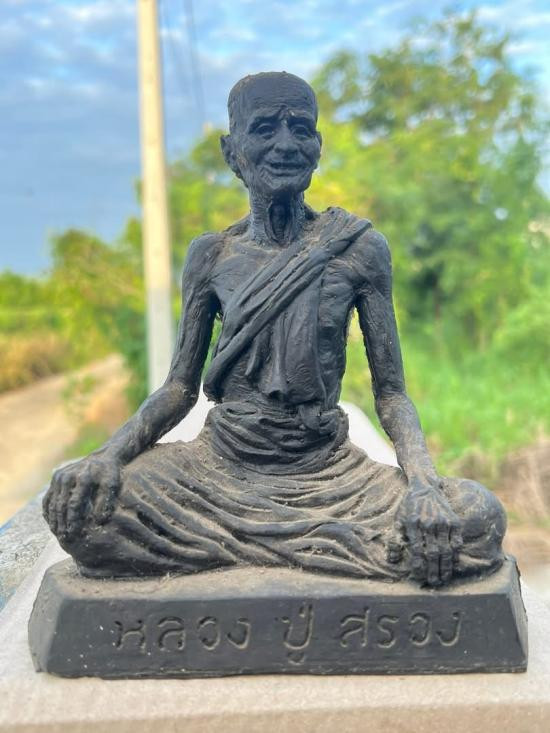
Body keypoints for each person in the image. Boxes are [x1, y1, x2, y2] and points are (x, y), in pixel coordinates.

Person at [43, 72, 506, 587]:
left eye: (300, 129)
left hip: (327, 472)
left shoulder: (358, 248)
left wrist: (423, 486)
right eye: (264, 128)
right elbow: (179, 389)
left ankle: (249, 552)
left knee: (477, 518)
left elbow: (392, 393)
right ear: (232, 151)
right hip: (220, 467)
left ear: (317, 147)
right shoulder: (212, 255)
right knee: (85, 514)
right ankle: (313, 552)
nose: (285, 144)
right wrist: (108, 455)